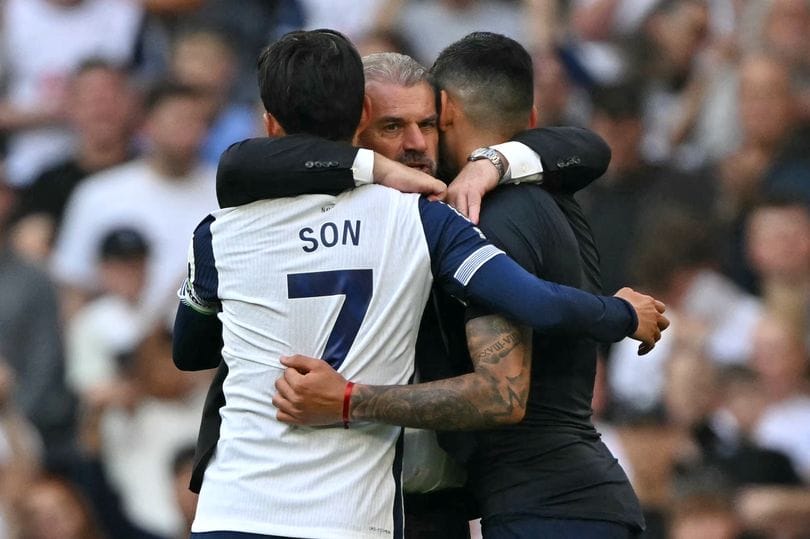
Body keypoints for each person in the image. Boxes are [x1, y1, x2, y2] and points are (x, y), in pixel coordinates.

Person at [173, 29, 666, 539]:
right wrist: (620, 314)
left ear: (446, 116)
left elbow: (586, 148)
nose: (414, 144)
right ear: (359, 119)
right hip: (360, 511)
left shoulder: (226, 231)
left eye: (427, 124)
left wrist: (491, 160)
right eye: (392, 126)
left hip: (420, 509)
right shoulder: (417, 221)